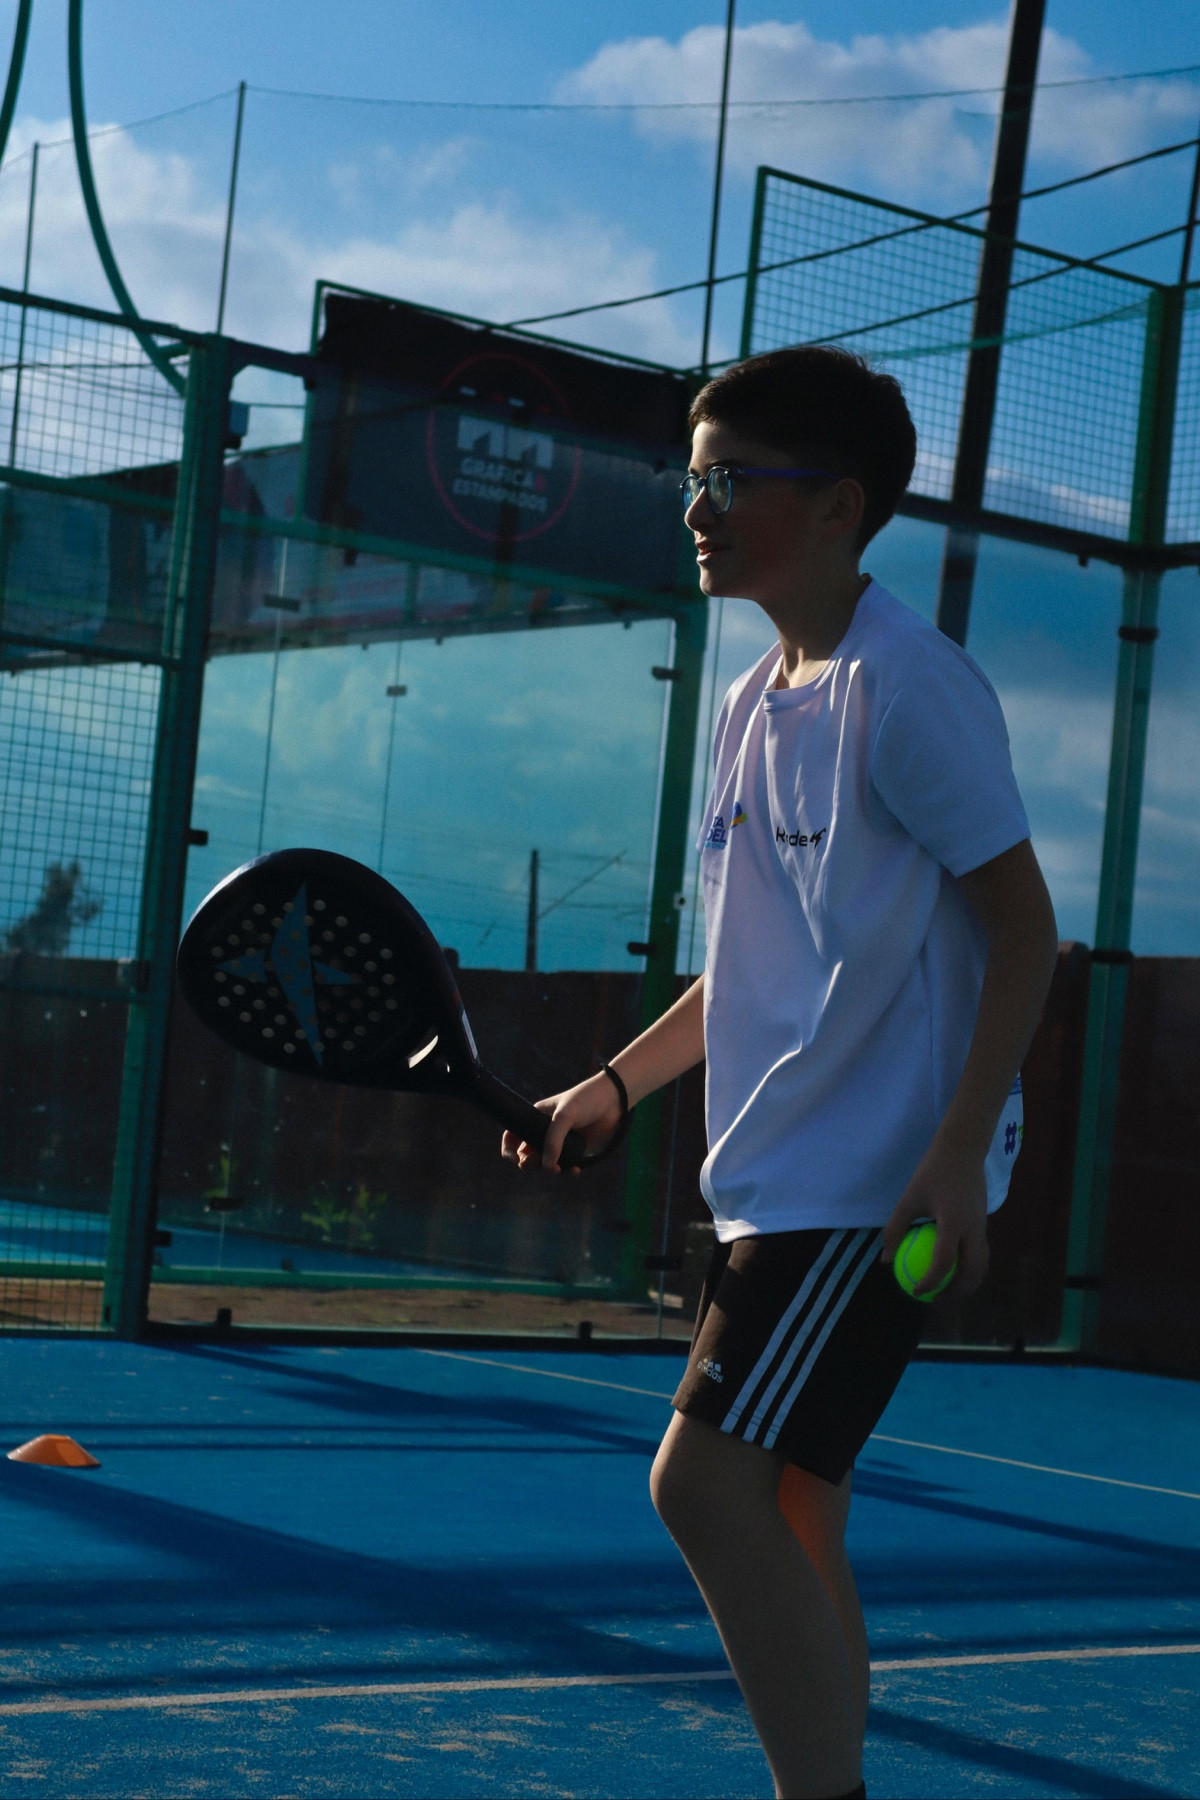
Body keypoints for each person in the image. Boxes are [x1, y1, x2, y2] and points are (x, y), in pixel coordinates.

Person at [501, 345, 1059, 1800]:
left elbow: (1025, 930)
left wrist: (954, 1155)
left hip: (867, 1186)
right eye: (692, 481)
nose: (698, 510)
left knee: (702, 1486)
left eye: (731, 482)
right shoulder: (756, 700)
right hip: (786, 1177)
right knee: (798, 1509)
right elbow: (747, 965)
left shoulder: (907, 687)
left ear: (837, 506)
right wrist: (615, 1085)